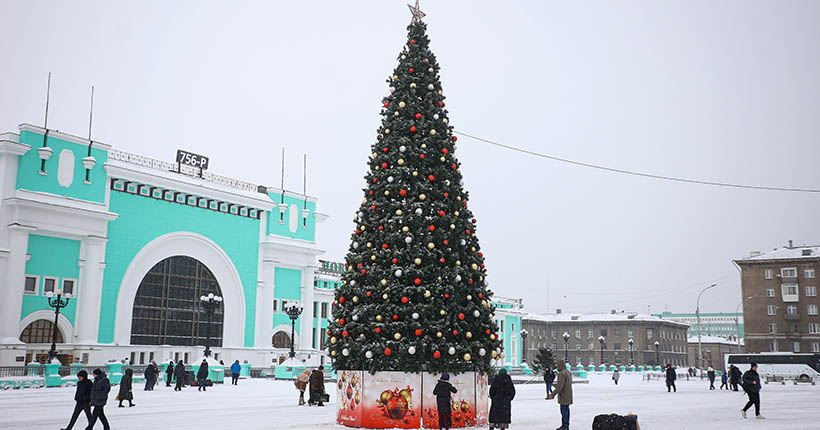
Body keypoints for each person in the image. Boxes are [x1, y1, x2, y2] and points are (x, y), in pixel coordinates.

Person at [547, 360, 573, 430]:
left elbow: (560, 386)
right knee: (566, 410)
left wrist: (552, 394)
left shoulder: (561, 373)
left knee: (564, 411)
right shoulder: (568, 372)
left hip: (563, 395)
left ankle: (565, 426)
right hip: (568, 394)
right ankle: (565, 425)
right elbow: (566, 384)